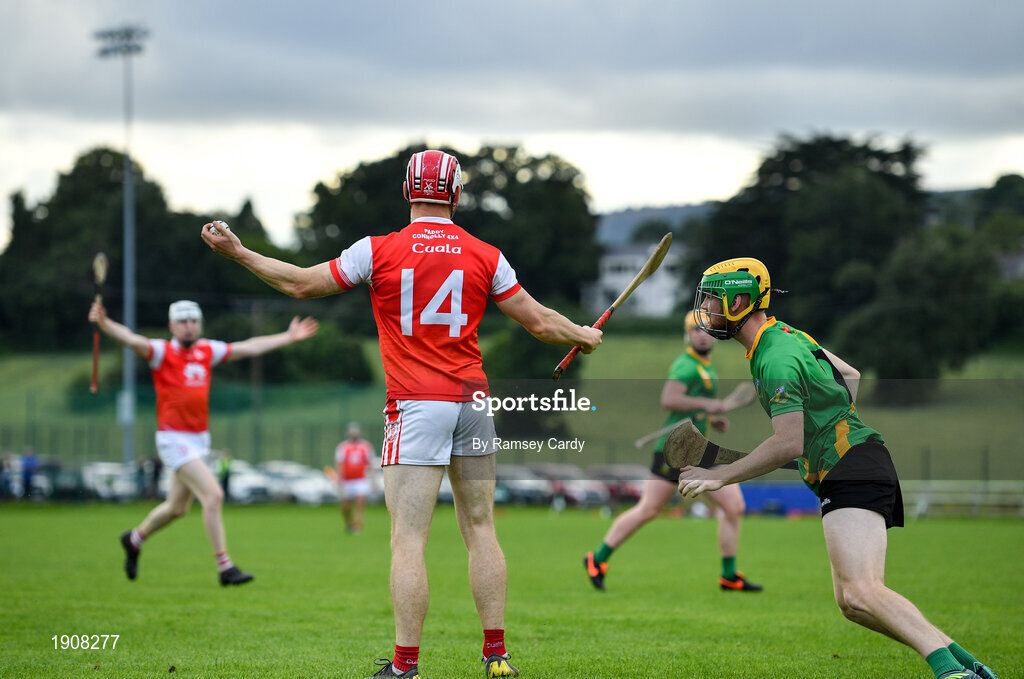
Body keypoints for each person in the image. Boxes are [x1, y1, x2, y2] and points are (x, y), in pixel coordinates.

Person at [202, 149, 602, 679]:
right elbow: (538, 320)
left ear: (409, 192)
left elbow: (300, 283)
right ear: (456, 194)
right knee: (482, 529)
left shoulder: (377, 250)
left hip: (417, 405)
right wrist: (582, 334)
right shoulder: (486, 253)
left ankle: (405, 665)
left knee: (409, 539)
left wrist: (240, 253)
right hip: (474, 402)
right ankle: (497, 657)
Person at [677, 257, 999, 679]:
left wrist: (719, 474)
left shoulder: (774, 357)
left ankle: (948, 673)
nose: (707, 312)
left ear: (740, 301)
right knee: (853, 604)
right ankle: (967, 665)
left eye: (713, 301)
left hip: (854, 466)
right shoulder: (782, 336)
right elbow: (850, 373)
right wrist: (825, 432)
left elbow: (786, 443)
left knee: (864, 591)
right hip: (853, 461)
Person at [89, 298, 319, 586]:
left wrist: (287, 337)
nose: (189, 327)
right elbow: (132, 340)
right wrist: (105, 323)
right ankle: (225, 567)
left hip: (198, 439)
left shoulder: (207, 351)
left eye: (193, 321)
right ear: (172, 326)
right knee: (214, 495)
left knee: (177, 508)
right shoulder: (161, 352)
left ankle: (133, 540)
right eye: (183, 322)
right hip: (173, 438)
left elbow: (248, 347)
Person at [585, 310, 761, 592]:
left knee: (734, 506)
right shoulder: (686, 365)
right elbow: (670, 399)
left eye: (706, 330)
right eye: (695, 330)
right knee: (649, 509)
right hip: (676, 450)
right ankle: (598, 558)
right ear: (687, 334)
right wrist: (707, 405)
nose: (701, 335)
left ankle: (729, 575)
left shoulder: (706, 366)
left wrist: (711, 418)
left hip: (698, 447)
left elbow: (692, 406)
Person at [335, 422, 374, 534]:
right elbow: (339, 463)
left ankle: (358, 525)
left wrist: (372, 479)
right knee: (345, 505)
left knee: (360, 502)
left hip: (360, 479)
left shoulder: (366, 446)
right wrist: (339, 478)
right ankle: (349, 523)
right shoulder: (343, 447)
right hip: (347, 480)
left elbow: (369, 463)